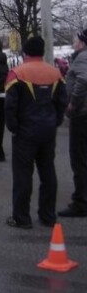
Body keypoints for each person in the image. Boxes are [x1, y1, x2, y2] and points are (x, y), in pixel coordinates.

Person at [4, 36, 67, 229]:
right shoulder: (56, 73)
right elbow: (62, 102)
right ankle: (48, 216)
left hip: (25, 132)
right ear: (42, 51)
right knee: (48, 172)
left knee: (23, 175)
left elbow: (10, 105)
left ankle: (22, 218)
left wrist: (13, 127)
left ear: (25, 52)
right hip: (47, 130)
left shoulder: (17, 73)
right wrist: (55, 122)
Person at [58, 29, 87, 217]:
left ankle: (81, 202)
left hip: (82, 115)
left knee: (79, 159)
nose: (74, 42)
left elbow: (83, 80)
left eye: (76, 39)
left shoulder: (83, 57)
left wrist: (72, 103)